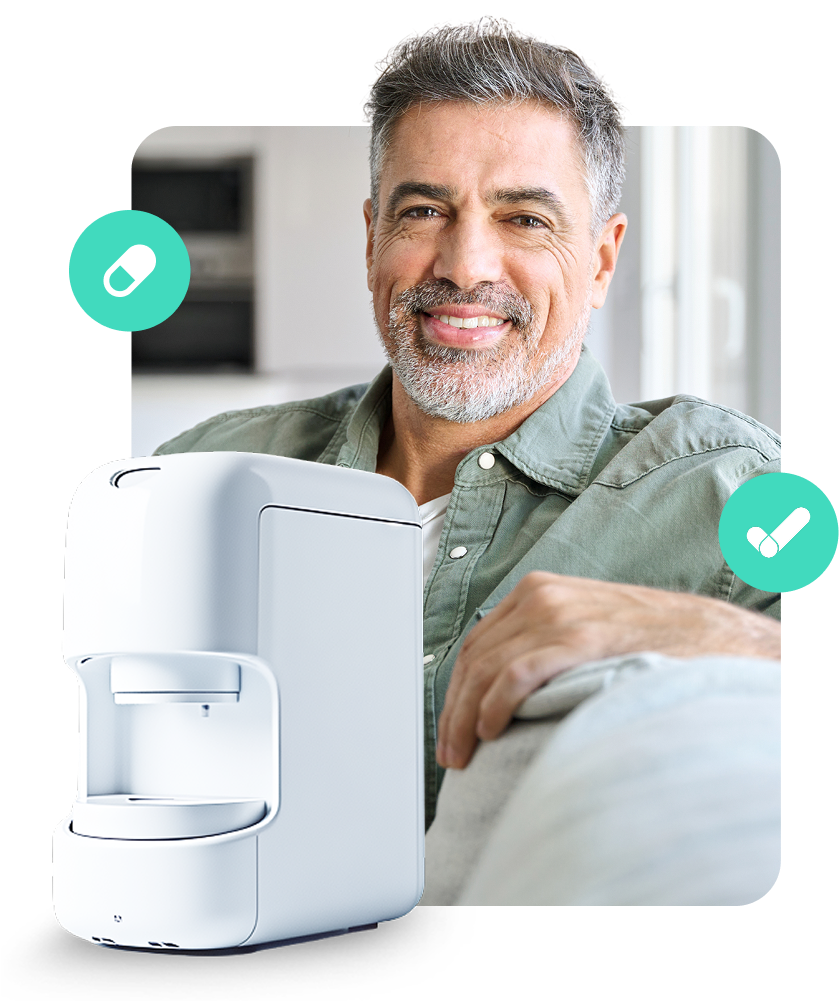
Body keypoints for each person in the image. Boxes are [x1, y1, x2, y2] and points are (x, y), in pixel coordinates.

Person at [153, 17, 781, 831]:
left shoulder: (728, 491)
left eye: (524, 219)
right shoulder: (204, 471)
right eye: (422, 211)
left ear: (599, 260)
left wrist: (707, 633)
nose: (464, 266)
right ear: (371, 236)